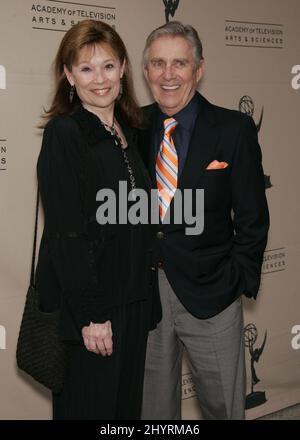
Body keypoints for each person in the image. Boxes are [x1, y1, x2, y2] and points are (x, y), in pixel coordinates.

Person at [138, 21, 269, 420]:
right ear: (146, 71)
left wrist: (237, 278)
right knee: (153, 410)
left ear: (199, 69)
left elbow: (252, 216)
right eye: (158, 63)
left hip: (213, 292)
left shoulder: (233, 129)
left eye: (180, 63)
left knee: (222, 410)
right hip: (145, 294)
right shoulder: (132, 127)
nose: (168, 74)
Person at [34, 19, 161, 420]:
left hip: (133, 305)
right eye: (86, 68)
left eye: (108, 66)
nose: (99, 79)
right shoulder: (65, 135)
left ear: (123, 68)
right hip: (93, 311)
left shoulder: (131, 131)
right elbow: (66, 234)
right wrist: (92, 316)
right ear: (69, 75)